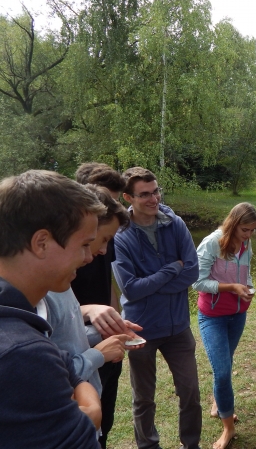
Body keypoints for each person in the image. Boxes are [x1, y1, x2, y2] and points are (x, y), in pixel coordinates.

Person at [0, 170, 105, 448]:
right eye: (84, 245)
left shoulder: (19, 318)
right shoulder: (22, 354)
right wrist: (91, 413)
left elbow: (64, 364)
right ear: (41, 242)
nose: (88, 257)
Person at [39, 185, 142, 441]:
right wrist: (98, 354)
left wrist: (101, 329)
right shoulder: (42, 292)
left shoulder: (61, 282)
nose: (97, 253)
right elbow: (51, 373)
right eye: (98, 240)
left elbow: (66, 337)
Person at [113, 167, 201, 449]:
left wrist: (153, 282)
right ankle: (148, 446)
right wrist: (169, 270)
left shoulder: (175, 224)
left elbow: (192, 272)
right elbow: (131, 289)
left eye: (156, 191)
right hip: (141, 329)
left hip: (178, 328)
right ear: (128, 196)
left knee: (190, 393)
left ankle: (191, 444)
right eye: (145, 195)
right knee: (144, 398)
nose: (154, 199)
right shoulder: (120, 235)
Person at [193, 203, 256, 449]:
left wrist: (248, 288)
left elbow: (246, 273)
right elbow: (197, 282)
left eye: (252, 230)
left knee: (226, 362)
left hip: (237, 315)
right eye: (245, 229)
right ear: (233, 223)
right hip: (212, 316)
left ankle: (217, 403)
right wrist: (231, 288)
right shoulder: (212, 243)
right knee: (222, 371)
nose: (248, 235)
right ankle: (228, 429)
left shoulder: (246, 244)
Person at [72, 163, 129, 449]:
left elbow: (109, 283)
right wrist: (88, 311)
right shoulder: (64, 261)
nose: (109, 208)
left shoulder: (105, 240)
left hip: (103, 344)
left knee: (104, 422)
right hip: (80, 349)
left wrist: (114, 319)